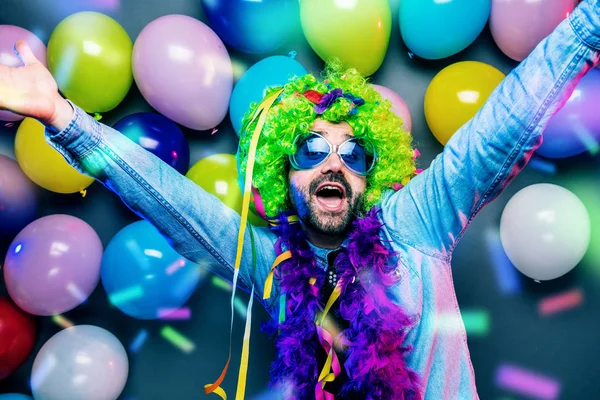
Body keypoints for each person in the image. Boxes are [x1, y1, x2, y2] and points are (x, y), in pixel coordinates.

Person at [0, 1, 598, 398]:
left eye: (353, 153)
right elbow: (168, 199)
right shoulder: (266, 262)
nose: (334, 162)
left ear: (372, 174)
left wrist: (587, 24)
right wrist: (61, 116)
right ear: (282, 174)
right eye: (311, 150)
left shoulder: (415, 225)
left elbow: (498, 132)